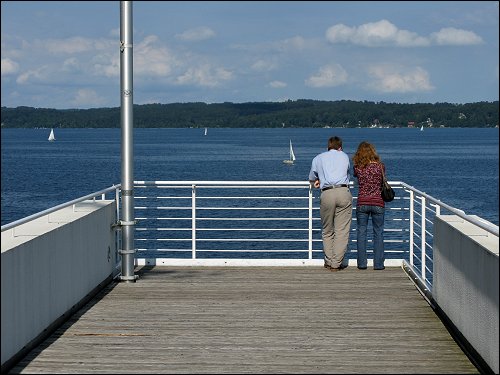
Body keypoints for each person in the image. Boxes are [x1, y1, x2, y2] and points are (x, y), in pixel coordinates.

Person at [308, 136, 353, 272]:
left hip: (327, 193)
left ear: (328, 146)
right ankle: (336, 263)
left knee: (327, 230)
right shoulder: (344, 156)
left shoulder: (318, 158)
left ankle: (328, 260)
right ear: (340, 147)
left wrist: (317, 181)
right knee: (342, 231)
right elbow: (347, 173)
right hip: (343, 191)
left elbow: (311, 176)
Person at [352, 141, 386, 270]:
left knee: (361, 232)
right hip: (378, 202)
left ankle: (362, 264)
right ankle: (378, 264)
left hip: (362, 202)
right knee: (378, 233)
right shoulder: (380, 166)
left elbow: (356, 176)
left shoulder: (358, 167)